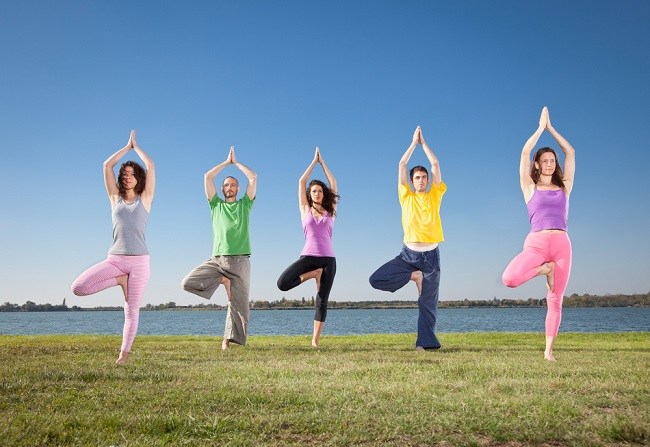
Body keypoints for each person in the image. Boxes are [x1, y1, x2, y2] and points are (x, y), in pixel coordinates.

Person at [71, 130, 155, 365]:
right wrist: (126, 147)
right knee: (79, 287)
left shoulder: (145, 199)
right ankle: (120, 280)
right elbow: (107, 165)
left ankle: (123, 355)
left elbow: (150, 164)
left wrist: (136, 147)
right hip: (115, 259)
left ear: (139, 177)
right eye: (125, 174)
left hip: (140, 261)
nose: (128, 177)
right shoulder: (114, 198)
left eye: (132, 174)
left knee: (131, 310)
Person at [502, 107, 575, 362]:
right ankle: (546, 270)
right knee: (509, 279)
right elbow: (523, 152)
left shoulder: (564, 186)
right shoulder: (529, 187)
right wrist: (540, 128)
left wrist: (552, 128)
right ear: (537, 164)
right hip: (537, 243)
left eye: (552, 161)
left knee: (555, 300)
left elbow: (571, 152)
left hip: (562, 244)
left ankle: (548, 351)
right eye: (545, 160)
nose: (550, 164)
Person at [369, 126, 446, 351]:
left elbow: (436, 165)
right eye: (417, 178)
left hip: (431, 256)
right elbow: (402, 165)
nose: (421, 180)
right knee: (376, 279)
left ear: (428, 180)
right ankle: (414, 276)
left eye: (424, 178)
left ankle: (425, 343)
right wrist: (414, 144)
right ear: (412, 181)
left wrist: (425, 145)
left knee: (428, 303)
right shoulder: (406, 195)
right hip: (408, 255)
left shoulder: (435, 194)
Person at [181, 146, 257, 350]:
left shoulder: (245, 205)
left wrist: (237, 163)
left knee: (240, 307)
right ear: (222, 189)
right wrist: (226, 162)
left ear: (238, 189)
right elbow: (207, 177)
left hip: (240, 261)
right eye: (226, 185)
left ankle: (227, 341)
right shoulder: (215, 205)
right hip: (217, 260)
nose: (230, 187)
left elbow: (253, 178)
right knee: (188, 282)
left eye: (233, 185)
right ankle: (223, 280)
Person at [277, 147, 339, 347]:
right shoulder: (305, 209)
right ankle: (314, 274)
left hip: (328, 260)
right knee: (283, 283)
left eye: (320, 191)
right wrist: (314, 162)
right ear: (309, 194)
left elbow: (334, 183)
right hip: (309, 258)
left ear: (324, 194)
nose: (318, 193)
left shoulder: (331, 211)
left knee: (322, 300)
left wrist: (324, 163)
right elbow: (300, 181)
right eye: (314, 191)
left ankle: (315, 341)